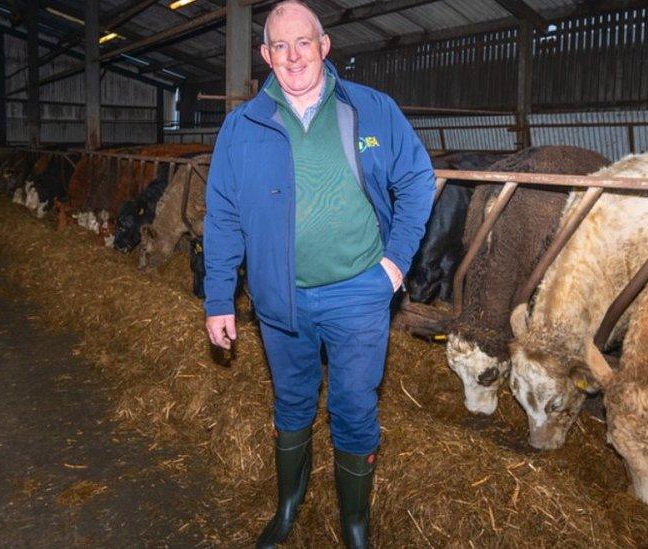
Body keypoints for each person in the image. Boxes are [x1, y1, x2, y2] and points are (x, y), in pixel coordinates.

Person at [201, 2, 434, 547]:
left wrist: (395, 263)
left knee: (354, 407)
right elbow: (224, 216)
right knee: (291, 401)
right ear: (265, 55)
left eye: (302, 42)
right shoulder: (242, 127)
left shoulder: (372, 110)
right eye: (279, 46)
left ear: (324, 46)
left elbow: (418, 180)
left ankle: (354, 523)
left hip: (359, 291)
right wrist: (218, 298)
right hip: (280, 299)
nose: (292, 56)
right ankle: (289, 507)